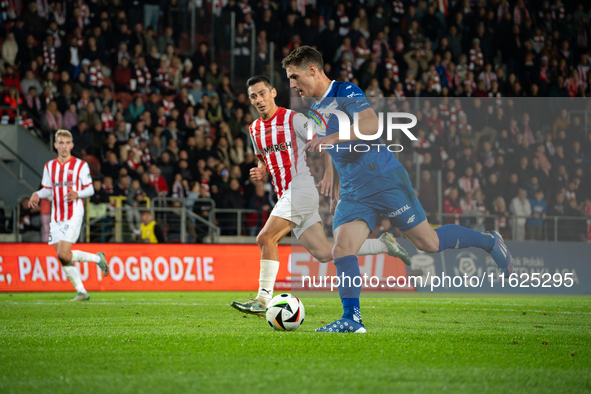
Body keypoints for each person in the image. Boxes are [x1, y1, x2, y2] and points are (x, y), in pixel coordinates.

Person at [284, 46, 514, 333]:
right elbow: (329, 144)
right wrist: (332, 176)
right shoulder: (316, 107)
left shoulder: (346, 91)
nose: (292, 85)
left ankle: (489, 241)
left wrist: (331, 137)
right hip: (354, 189)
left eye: (294, 77)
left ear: (313, 71)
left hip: (383, 177)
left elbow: (370, 126)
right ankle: (351, 319)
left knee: (428, 243)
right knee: (342, 248)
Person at [231, 75, 406, 316]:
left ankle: (262, 301)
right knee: (325, 253)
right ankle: (383, 244)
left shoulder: (293, 119)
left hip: (300, 189)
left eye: (262, 93)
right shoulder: (254, 130)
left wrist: (328, 174)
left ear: (272, 93)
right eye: (253, 96)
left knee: (265, 238)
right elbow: (263, 158)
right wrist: (260, 170)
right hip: (286, 194)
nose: (259, 99)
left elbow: (323, 141)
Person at [27, 129, 109, 301]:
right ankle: (82, 291)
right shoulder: (49, 166)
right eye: (60, 143)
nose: (64, 146)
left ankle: (97, 259)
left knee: (64, 254)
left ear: (72, 145)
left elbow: (90, 189)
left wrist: (77, 193)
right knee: (61, 256)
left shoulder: (80, 165)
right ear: (55, 145)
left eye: (67, 143)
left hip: (74, 213)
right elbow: (47, 189)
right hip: (56, 216)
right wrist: (37, 194)